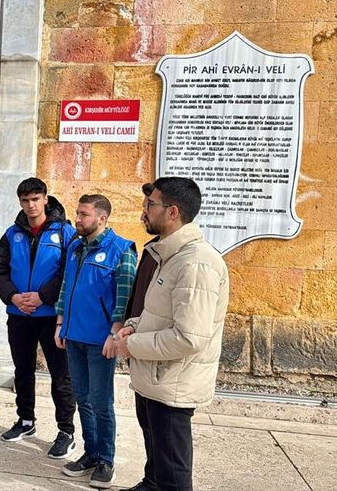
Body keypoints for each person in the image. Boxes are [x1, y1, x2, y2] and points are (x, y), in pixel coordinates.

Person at [116, 177, 230, 491]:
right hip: (155, 378)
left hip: (172, 384)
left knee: (174, 477)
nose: (143, 211)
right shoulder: (170, 255)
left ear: (172, 212)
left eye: (150, 204)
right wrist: (134, 326)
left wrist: (132, 345)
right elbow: (159, 313)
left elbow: (189, 337)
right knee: (157, 465)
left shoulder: (196, 264)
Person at [0, 177, 77, 458]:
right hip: (19, 314)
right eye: (25, 200)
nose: (31, 205)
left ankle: (66, 431)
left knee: (60, 376)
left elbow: (69, 272)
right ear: (20, 202)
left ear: (45, 199)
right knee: (23, 370)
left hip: (51, 316)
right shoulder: (11, 234)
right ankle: (26, 421)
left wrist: (42, 296)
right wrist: (13, 296)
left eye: (35, 199)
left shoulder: (65, 233)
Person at [54, 194, 137, 489]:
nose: (77, 219)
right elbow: (66, 287)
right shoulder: (75, 247)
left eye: (84, 214)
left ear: (101, 218)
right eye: (77, 213)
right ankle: (91, 453)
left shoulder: (122, 249)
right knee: (83, 399)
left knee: (102, 403)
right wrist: (60, 323)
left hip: (101, 340)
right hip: (73, 335)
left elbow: (125, 296)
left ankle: (106, 461)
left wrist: (115, 334)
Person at [124, 184, 159, 322]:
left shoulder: (188, 260)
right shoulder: (151, 251)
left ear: (172, 212)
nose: (142, 216)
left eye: (149, 208)